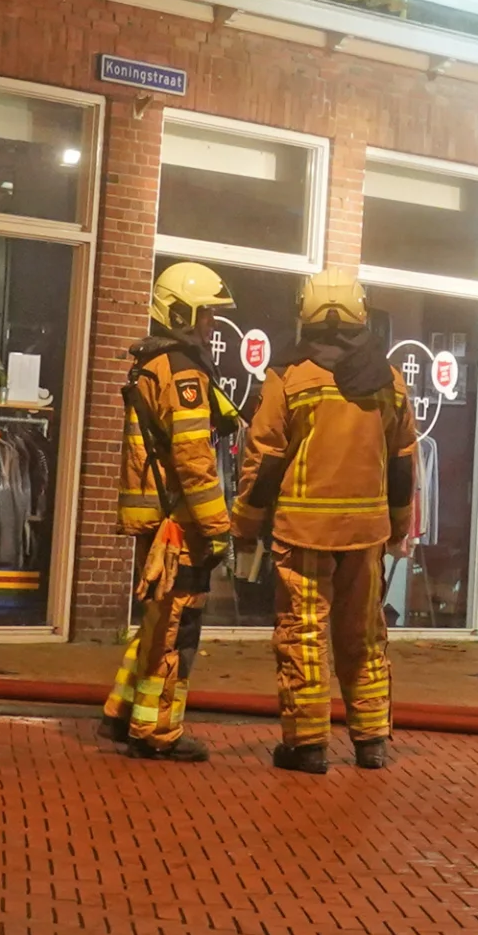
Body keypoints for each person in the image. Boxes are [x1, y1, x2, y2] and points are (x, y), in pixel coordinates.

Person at [233, 272, 418, 773]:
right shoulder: (389, 380)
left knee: (304, 636)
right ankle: (372, 741)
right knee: (364, 636)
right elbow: (403, 459)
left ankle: (307, 746)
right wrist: (399, 525)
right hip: (367, 535)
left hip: (302, 532)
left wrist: (246, 522)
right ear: (362, 311)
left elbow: (265, 456)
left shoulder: (289, 377)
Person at [104, 261, 233, 761]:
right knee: (178, 628)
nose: (213, 327)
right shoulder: (183, 372)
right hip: (179, 525)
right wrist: (218, 529)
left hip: (161, 520)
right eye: (207, 316)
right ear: (181, 312)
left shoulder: (154, 363)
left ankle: (122, 713)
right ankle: (157, 732)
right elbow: (194, 460)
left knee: (159, 621)